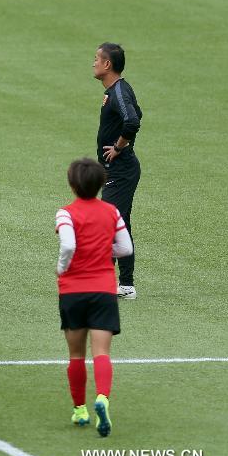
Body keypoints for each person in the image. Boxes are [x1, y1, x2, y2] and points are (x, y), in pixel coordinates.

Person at [55, 158, 132, 437]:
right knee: (102, 352)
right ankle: (102, 397)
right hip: (103, 290)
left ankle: (80, 410)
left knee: (76, 354)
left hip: (73, 290)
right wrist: (101, 250)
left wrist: (63, 267)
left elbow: (69, 244)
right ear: (101, 184)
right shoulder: (112, 212)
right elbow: (125, 248)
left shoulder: (66, 213)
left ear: (73, 185)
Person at [93, 43, 142, 300]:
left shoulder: (119, 91)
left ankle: (114, 284)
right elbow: (137, 113)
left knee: (109, 222)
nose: (93, 63)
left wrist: (119, 147)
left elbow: (132, 120)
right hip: (115, 170)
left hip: (121, 170)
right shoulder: (116, 91)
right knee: (120, 223)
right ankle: (125, 284)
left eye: (96, 59)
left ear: (107, 64)